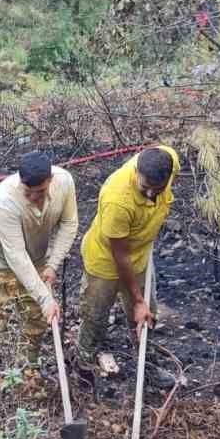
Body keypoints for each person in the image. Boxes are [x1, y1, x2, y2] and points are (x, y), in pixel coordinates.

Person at [76, 145, 181, 381]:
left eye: (158, 189)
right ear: (136, 173)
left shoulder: (168, 159)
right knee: (95, 313)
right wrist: (137, 299)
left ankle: (144, 356)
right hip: (106, 260)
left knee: (147, 313)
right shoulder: (117, 200)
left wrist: (142, 305)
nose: (152, 195)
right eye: (145, 188)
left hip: (140, 253)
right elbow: (120, 256)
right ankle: (84, 362)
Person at [0, 151, 78, 347]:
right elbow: (16, 255)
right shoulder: (5, 200)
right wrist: (46, 299)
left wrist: (52, 265)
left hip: (36, 259)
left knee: (36, 320)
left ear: (50, 180)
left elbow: (69, 223)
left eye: (39, 191)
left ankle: (29, 370)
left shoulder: (64, 182)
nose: (32, 197)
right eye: (27, 191)